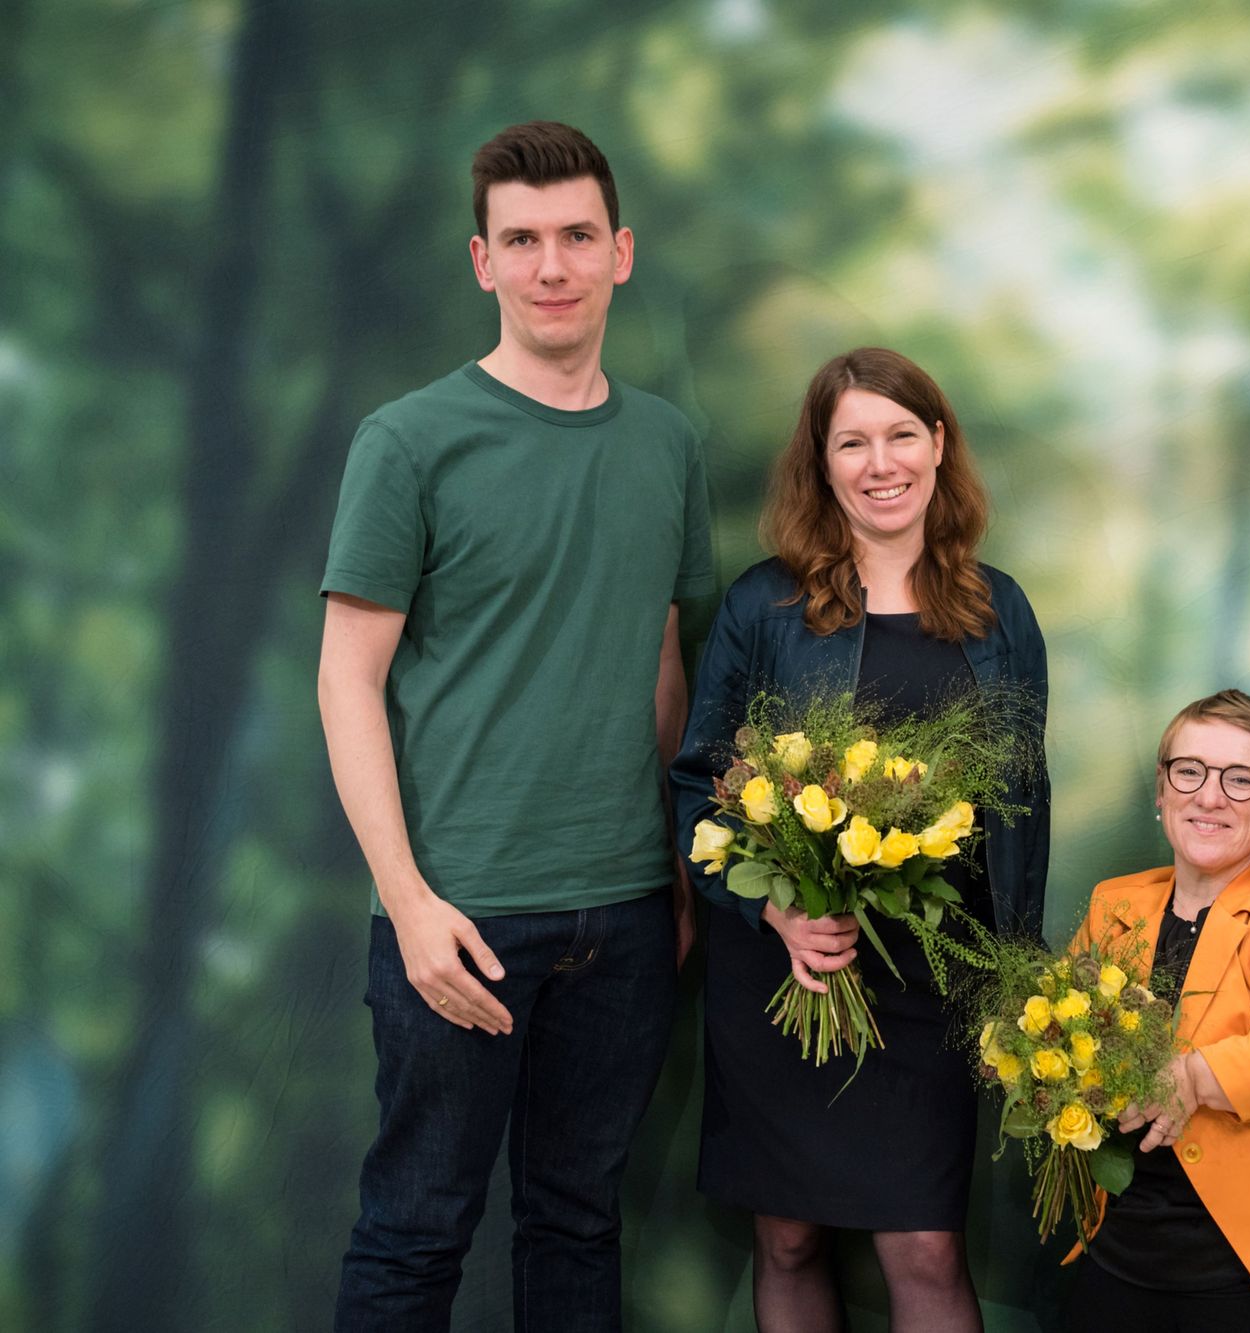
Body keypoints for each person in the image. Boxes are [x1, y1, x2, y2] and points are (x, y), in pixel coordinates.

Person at [318, 121, 713, 1330]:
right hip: (461, 915)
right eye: (523, 240)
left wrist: (683, 871)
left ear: (621, 253)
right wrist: (410, 900)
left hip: (629, 915)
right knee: (414, 1233)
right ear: (480, 261)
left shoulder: (664, 441)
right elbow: (346, 681)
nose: (553, 265)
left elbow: (657, 657)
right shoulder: (409, 440)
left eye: (577, 237)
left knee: (578, 1225)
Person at [669, 347, 1050, 1332]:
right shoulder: (764, 605)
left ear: (936, 445)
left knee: (926, 1246)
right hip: (784, 968)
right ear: (822, 462)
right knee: (787, 1236)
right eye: (852, 442)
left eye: (898, 435)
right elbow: (696, 786)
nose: (879, 463)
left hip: (934, 977)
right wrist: (776, 905)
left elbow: (1020, 813)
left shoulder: (999, 611)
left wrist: (1012, 975)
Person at [1064, 690, 1250, 1331]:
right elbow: (1066, 1033)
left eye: (1241, 780)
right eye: (1191, 771)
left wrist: (1189, 1078)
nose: (1210, 796)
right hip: (1118, 1251)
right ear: (1162, 788)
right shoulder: (1112, 904)